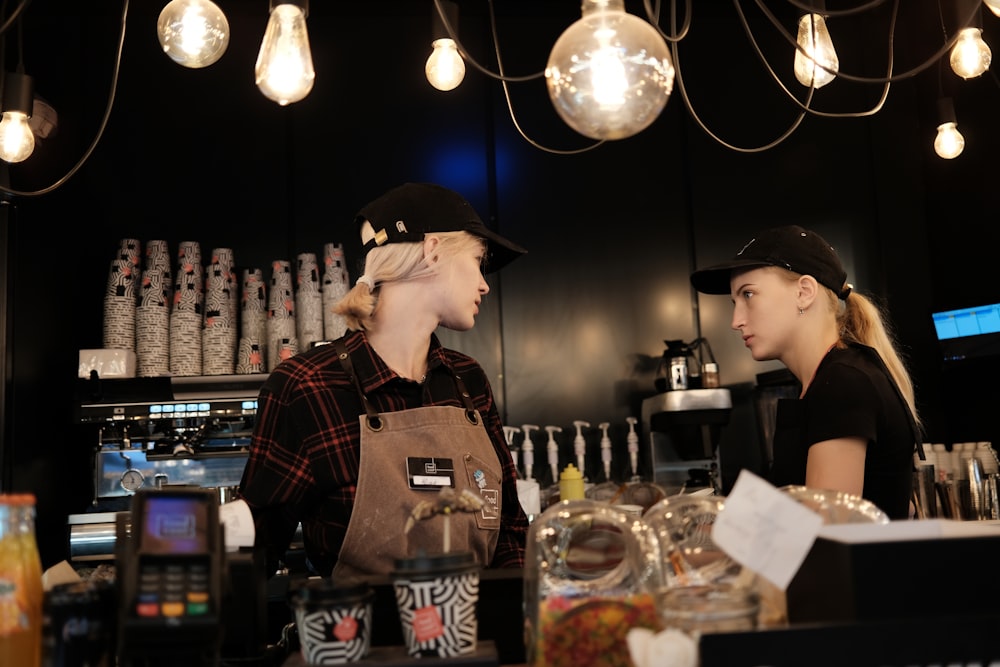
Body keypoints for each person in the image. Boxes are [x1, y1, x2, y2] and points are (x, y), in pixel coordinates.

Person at [239, 182, 530, 578]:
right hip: (360, 637)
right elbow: (254, 549)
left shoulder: (467, 381)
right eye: (478, 260)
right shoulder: (306, 387)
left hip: (475, 637)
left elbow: (511, 532)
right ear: (433, 251)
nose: (484, 284)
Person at [690, 225, 922, 519]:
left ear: (804, 292)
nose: (736, 320)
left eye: (748, 294)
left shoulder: (843, 383)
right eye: (735, 302)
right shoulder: (829, 379)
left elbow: (825, 537)